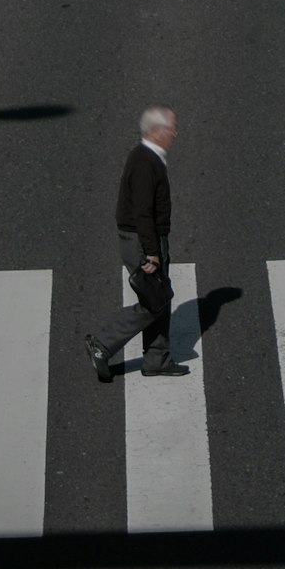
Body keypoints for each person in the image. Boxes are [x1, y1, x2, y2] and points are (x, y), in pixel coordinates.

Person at [85, 107, 181, 380]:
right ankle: (102, 344)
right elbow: (142, 212)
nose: (175, 134)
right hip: (142, 241)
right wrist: (151, 253)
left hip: (146, 239)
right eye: (172, 128)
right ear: (157, 131)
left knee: (158, 299)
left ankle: (157, 359)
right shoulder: (144, 161)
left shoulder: (148, 158)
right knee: (155, 300)